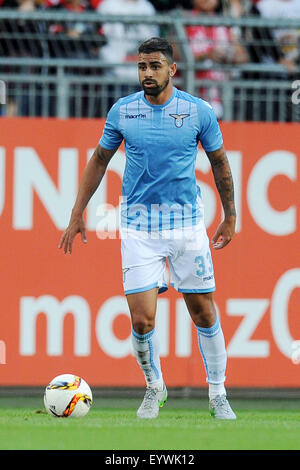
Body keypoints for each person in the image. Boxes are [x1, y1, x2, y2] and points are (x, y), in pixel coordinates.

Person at [59, 37, 237, 420]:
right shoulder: (123, 112)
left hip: (187, 227)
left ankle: (218, 393)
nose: (147, 73)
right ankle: (154, 386)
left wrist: (230, 214)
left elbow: (220, 163)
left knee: (203, 312)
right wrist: (77, 212)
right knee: (141, 319)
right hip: (139, 228)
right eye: (142, 66)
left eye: (155, 66)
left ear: (172, 70)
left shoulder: (198, 111)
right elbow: (99, 160)